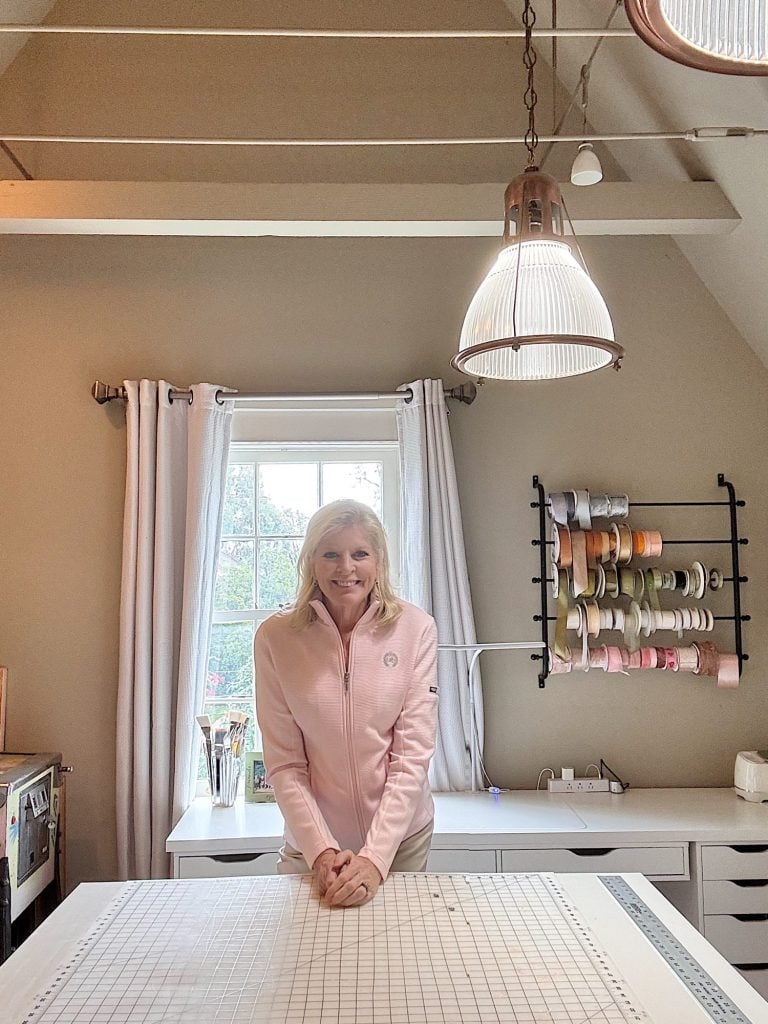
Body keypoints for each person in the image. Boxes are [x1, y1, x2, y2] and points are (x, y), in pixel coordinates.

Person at [254, 498, 438, 908]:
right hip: (312, 846)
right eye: (331, 554)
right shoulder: (276, 638)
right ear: (311, 561)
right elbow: (285, 763)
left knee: (398, 958)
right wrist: (321, 851)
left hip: (399, 842)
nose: (346, 568)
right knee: (304, 959)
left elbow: (411, 758)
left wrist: (374, 860)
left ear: (379, 561)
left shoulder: (416, 629)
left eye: (359, 554)